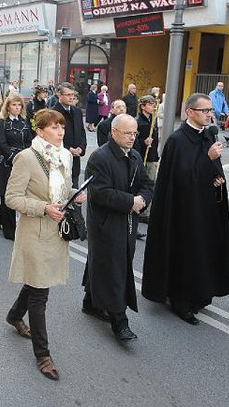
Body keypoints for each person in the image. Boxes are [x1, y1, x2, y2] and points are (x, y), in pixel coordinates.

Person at [5, 108, 87, 381]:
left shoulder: (64, 155)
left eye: (61, 126)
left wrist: (74, 197)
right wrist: (43, 208)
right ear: (40, 131)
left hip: (56, 232)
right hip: (35, 232)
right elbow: (12, 198)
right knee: (41, 293)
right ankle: (43, 355)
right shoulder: (26, 158)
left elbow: (64, 189)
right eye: (53, 127)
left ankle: (14, 315)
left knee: (37, 283)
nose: (60, 131)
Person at [141, 93, 229, 325]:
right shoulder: (177, 140)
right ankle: (181, 301)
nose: (209, 114)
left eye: (210, 110)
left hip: (205, 209)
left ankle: (200, 294)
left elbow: (209, 170)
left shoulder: (208, 136)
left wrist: (216, 177)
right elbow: (180, 179)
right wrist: (207, 159)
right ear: (190, 112)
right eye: (204, 110)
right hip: (183, 213)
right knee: (186, 255)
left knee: (204, 252)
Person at [82, 114, 154, 342]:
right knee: (114, 269)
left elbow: (146, 183)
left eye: (135, 133)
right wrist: (130, 202)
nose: (133, 138)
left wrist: (142, 199)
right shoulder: (99, 157)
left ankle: (90, 301)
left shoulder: (133, 155)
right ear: (114, 132)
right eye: (128, 133)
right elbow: (99, 192)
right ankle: (119, 322)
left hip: (127, 221)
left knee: (105, 262)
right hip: (105, 224)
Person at [0, 93, 32, 240]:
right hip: (7, 163)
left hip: (22, 162)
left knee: (19, 194)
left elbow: (29, 141)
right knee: (7, 195)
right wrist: (14, 158)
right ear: (8, 107)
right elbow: (1, 143)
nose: (16, 107)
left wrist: (26, 156)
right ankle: (10, 231)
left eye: (19, 105)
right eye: (14, 105)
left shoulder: (24, 122)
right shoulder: (1, 122)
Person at [52, 83, 87, 187]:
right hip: (59, 161)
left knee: (74, 193)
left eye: (73, 95)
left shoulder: (77, 111)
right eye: (68, 95)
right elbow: (51, 138)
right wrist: (68, 149)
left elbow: (82, 132)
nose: (71, 97)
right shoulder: (53, 113)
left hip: (75, 161)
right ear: (59, 95)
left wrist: (81, 147)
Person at [133, 95, 160, 226]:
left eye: (153, 104)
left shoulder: (153, 120)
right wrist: (143, 142)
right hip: (143, 157)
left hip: (152, 157)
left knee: (150, 183)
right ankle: (144, 211)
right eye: (150, 104)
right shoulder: (138, 121)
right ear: (143, 106)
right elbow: (133, 142)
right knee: (146, 183)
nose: (153, 107)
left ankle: (146, 210)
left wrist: (156, 156)